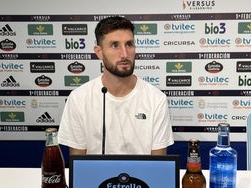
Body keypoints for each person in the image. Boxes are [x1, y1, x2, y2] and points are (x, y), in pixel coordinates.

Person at [58, 16, 174, 156]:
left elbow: (158, 166)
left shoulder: (156, 99)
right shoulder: (79, 98)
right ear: (99, 52)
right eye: (115, 45)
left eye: (129, 44)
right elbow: (78, 166)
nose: (124, 54)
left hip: (141, 178)